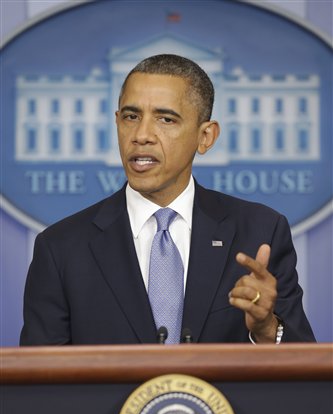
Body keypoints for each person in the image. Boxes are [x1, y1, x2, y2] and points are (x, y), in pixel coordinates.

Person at [20, 54, 315, 345]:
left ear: (206, 137)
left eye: (165, 119)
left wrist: (266, 328)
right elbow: (40, 384)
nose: (141, 134)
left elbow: (305, 373)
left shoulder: (260, 233)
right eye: (131, 116)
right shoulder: (60, 248)